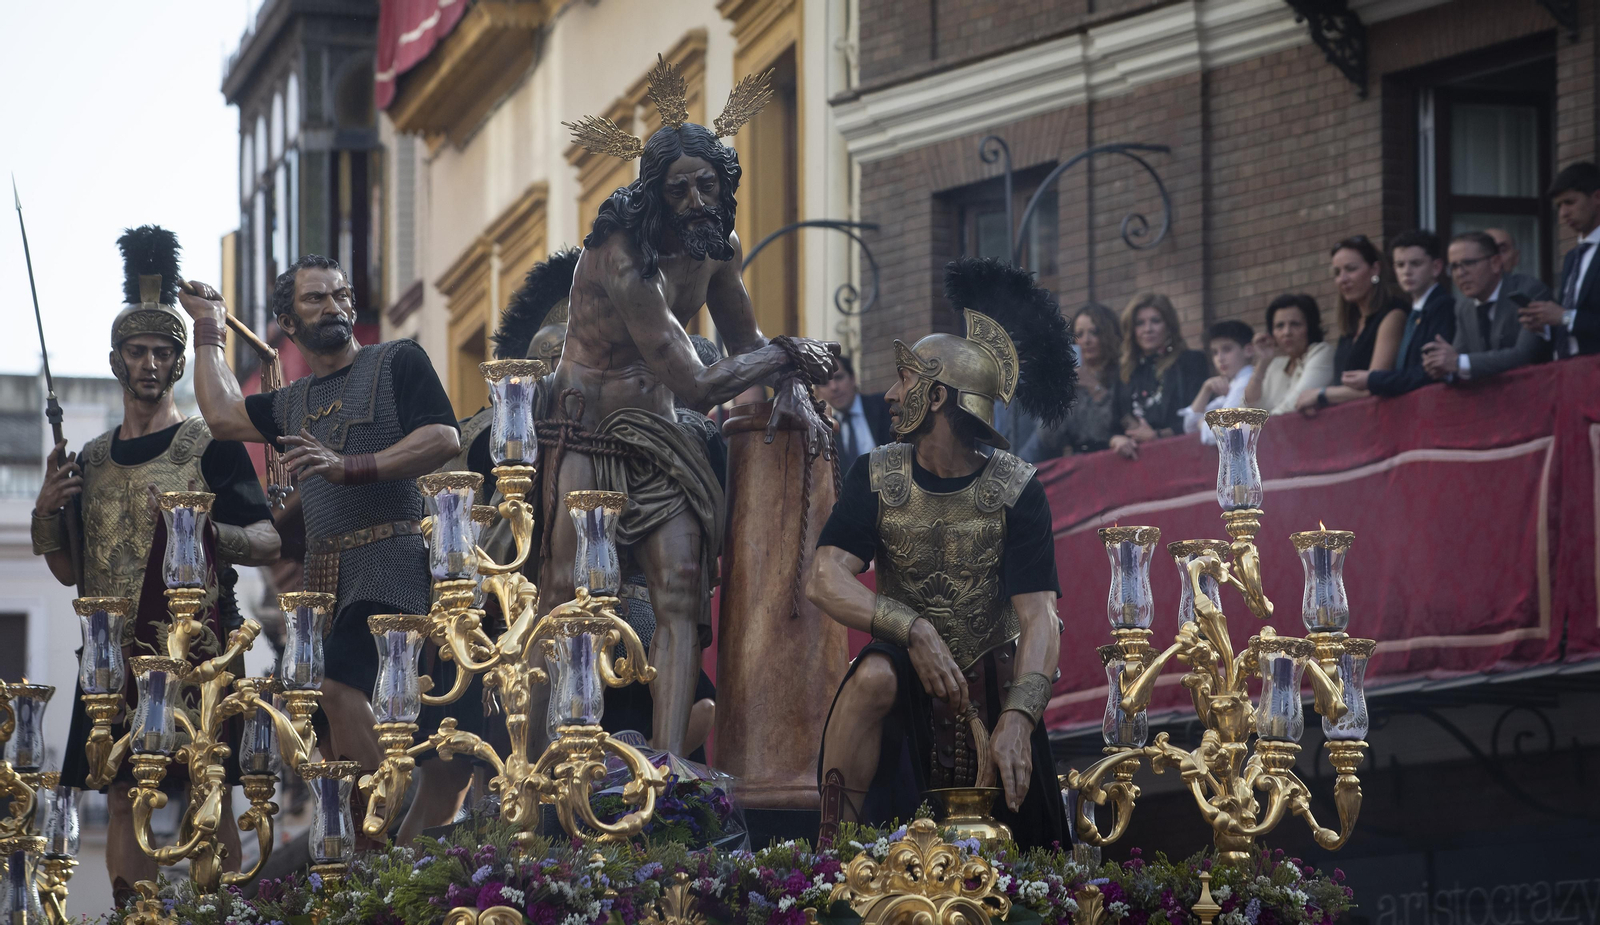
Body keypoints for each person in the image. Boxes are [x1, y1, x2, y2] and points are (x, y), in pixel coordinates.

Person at [552, 60, 836, 755]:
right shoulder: (624, 259)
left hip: (657, 435)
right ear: (656, 196)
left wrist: (795, 393)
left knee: (681, 586)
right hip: (586, 431)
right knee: (568, 599)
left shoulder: (720, 250)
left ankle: (668, 766)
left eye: (708, 184)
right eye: (679, 189)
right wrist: (789, 355)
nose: (696, 199)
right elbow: (696, 381)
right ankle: (550, 760)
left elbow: (743, 339)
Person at [176, 254, 463, 839]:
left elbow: (442, 436)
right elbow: (224, 414)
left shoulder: (397, 360)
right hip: (325, 578)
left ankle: (379, 825)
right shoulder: (291, 401)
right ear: (287, 318)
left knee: (336, 684)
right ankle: (368, 838)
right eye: (315, 298)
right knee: (325, 718)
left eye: (340, 294)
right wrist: (208, 326)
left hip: (394, 560)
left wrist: (351, 466)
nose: (334, 306)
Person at [33, 227, 279, 905]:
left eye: (164, 352)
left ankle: (222, 911)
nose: (150, 362)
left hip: (197, 646)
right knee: (118, 795)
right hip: (112, 657)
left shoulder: (211, 444)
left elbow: (266, 539)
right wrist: (50, 506)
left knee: (213, 789)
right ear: (116, 361)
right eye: (137, 351)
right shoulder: (91, 458)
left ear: (177, 364)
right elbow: (64, 570)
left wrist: (202, 530)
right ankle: (133, 915)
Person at [808, 257, 1074, 850]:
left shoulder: (1018, 487)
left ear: (936, 396)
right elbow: (824, 577)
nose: (891, 392)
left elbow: (1040, 618)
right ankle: (833, 848)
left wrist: (1019, 717)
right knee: (874, 673)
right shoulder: (875, 473)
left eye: (905, 379)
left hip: (992, 688)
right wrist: (915, 630)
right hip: (905, 684)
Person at [1422, 231, 1553, 382]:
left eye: (1469, 263)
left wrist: (1458, 363)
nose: (1460, 273)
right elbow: (1458, 358)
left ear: (1495, 263)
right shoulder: (1463, 307)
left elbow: (1524, 355)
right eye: (1454, 267)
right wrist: (1442, 367)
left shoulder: (1528, 292)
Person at [1300, 235, 1408, 414]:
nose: (1343, 279)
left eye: (1350, 269)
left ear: (1375, 269)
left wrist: (1321, 394)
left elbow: (1374, 383)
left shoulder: (1393, 315)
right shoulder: (1350, 325)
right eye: (1337, 272)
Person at [1343, 230, 1456, 397]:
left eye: (1416, 264)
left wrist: (1373, 379)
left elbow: (1429, 372)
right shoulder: (1415, 311)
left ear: (1436, 267)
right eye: (1400, 265)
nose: (1407, 271)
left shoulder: (1443, 307)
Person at [1019, 301, 1136, 461]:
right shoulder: (1072, 376)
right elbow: (1048, 438)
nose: (1086, 340)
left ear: (1108, 334)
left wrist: (1094, 387)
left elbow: (1107, 429)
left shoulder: (1122, 373)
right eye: (1079, 334)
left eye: (1094, 332)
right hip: (1077, 462)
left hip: (1114, 457)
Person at [1519, 162, 1600, 357]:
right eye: (1559, 206)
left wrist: (1565, 317)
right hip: (1569, 373)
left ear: (1597, 197)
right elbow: (1569, 325)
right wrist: (1543, 325)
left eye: (1570, 202)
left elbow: (1571, 318)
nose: (1563, 213)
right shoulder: (1573, 257)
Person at [1119, 292, 1209, 441]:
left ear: (1169, 325)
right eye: (1140, 323)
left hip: (1181, 453)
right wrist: (1117, 438)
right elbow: (1116, 420)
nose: (1148, 329)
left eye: (1155, 321)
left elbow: (1199, 415)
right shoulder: (1127, 370)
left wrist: (1158, 436)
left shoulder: (1190, 361)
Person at [1244, 294, 1333, 414]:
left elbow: (1295, 402)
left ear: (1310, 327)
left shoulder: (1322, 353)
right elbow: (1246, 408)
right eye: (1280, 326)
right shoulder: (1276, 364)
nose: (1287, 332)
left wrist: (1260, 427)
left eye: (1295, 324)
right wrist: (1263, 363)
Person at [1181, 319, 1255, 444]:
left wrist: (1202, 422)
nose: (1219, 358)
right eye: (1215, 352)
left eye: (1226, 349)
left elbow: (1222, 431)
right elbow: (1189, 426)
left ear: (1248, 350)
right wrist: (1206, 389)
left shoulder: (1247, 381)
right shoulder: (1234, 384)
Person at [818, 353, 893, 464]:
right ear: (819, 392)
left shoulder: (887, 406)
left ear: (853, 378)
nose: (834, 387)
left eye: (838, 377)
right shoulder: (826, 433)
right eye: (825, 383)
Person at [1484, 227, 1547, 301]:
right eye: (1487, 251)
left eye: (1502, 250)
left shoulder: (1531, 293)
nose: (1495, 258)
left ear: (1516, 257)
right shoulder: (1468, 297)